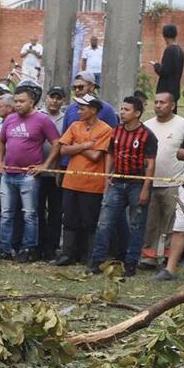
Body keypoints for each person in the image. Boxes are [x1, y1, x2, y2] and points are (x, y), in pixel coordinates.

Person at [87, 96, 157, 276]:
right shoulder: (116, 131)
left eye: (126, 110)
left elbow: (150, 164)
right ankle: (97, 260)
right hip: (117, 183)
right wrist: (107, 177)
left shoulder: (147, 135)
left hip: (137, 183)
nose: (122, 112)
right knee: (104, 222)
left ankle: (131, 263)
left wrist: (145, 189)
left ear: (137, 113)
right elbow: (110, 154)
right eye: (122, 109)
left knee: (136, 225)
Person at [0, 84, 60, 261]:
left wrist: (45, 165)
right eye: (16, 101)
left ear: (32, 102)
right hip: (8, 174)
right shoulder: (10, 119)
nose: (18, 104)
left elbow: (57, 143)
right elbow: (0, 142)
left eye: (22, 101)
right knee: (6, 214)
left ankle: (28, 249)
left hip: (28, 176)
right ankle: (4, 248)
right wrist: (0, 162)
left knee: (30, 214)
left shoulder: (43, 120)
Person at [46, 95, 112, 267]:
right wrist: (84, 145)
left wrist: (75, 146)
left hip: (92, 184)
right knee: (69, 218)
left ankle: (89, 256)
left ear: (93, 110)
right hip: (71, 181)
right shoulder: (75, 126)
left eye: (82, 108)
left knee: (89, 221)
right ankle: (67, 254)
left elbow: (96, 155)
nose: (78, 112)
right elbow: (62, 150)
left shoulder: (105, 129)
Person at [140, 93, 184, 268]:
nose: (158, 105)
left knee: (173, 224)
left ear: (173, 105)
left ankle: (170, 258)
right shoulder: (147, 125)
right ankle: (148, 257)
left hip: (175, 183)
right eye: (156, 102)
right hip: (151, 182)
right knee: (150, 223)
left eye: (163, 102)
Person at [39, 86, 69, 260]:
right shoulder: (37, 115)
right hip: (37, 170)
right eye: (52, 97)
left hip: (56, 171)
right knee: (37, 210)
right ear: (46, 97)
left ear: (63, 100)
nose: (54, 101)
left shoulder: (66, 119)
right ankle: (38, 245)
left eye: (58, 98)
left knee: (55, 212)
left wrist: (59, 168)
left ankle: (51, 248)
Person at [151, 23, 184, 103]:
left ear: (164, 35)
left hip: (166, 91)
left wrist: (156, 65)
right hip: (175, 90)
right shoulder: (180, 50)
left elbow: (164, 72)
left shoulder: (169, 50)